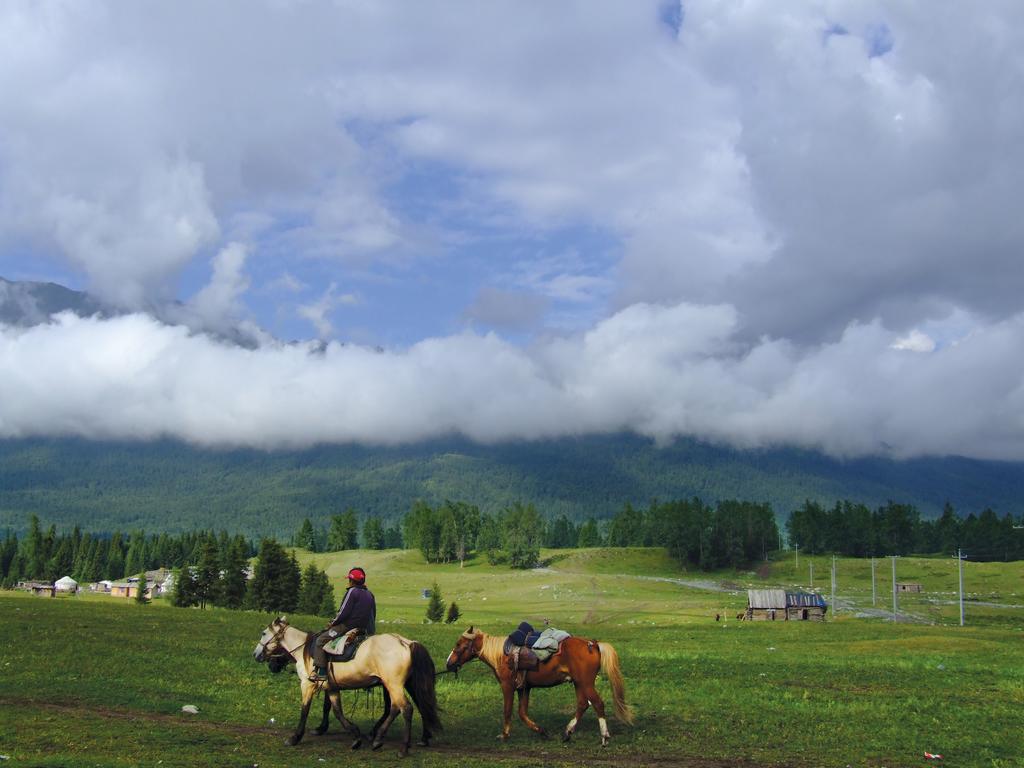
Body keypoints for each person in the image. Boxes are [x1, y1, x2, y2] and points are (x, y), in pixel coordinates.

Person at [309, 566, 376, 682]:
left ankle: (322, 672)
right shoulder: (370, 594)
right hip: (364, 628)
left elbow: (343, 612)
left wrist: (332, 623)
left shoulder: (352, 591)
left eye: (349, 580)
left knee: (320, 640)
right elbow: (373, 614)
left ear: (352, 581)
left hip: (347, 626)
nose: (348, 582)